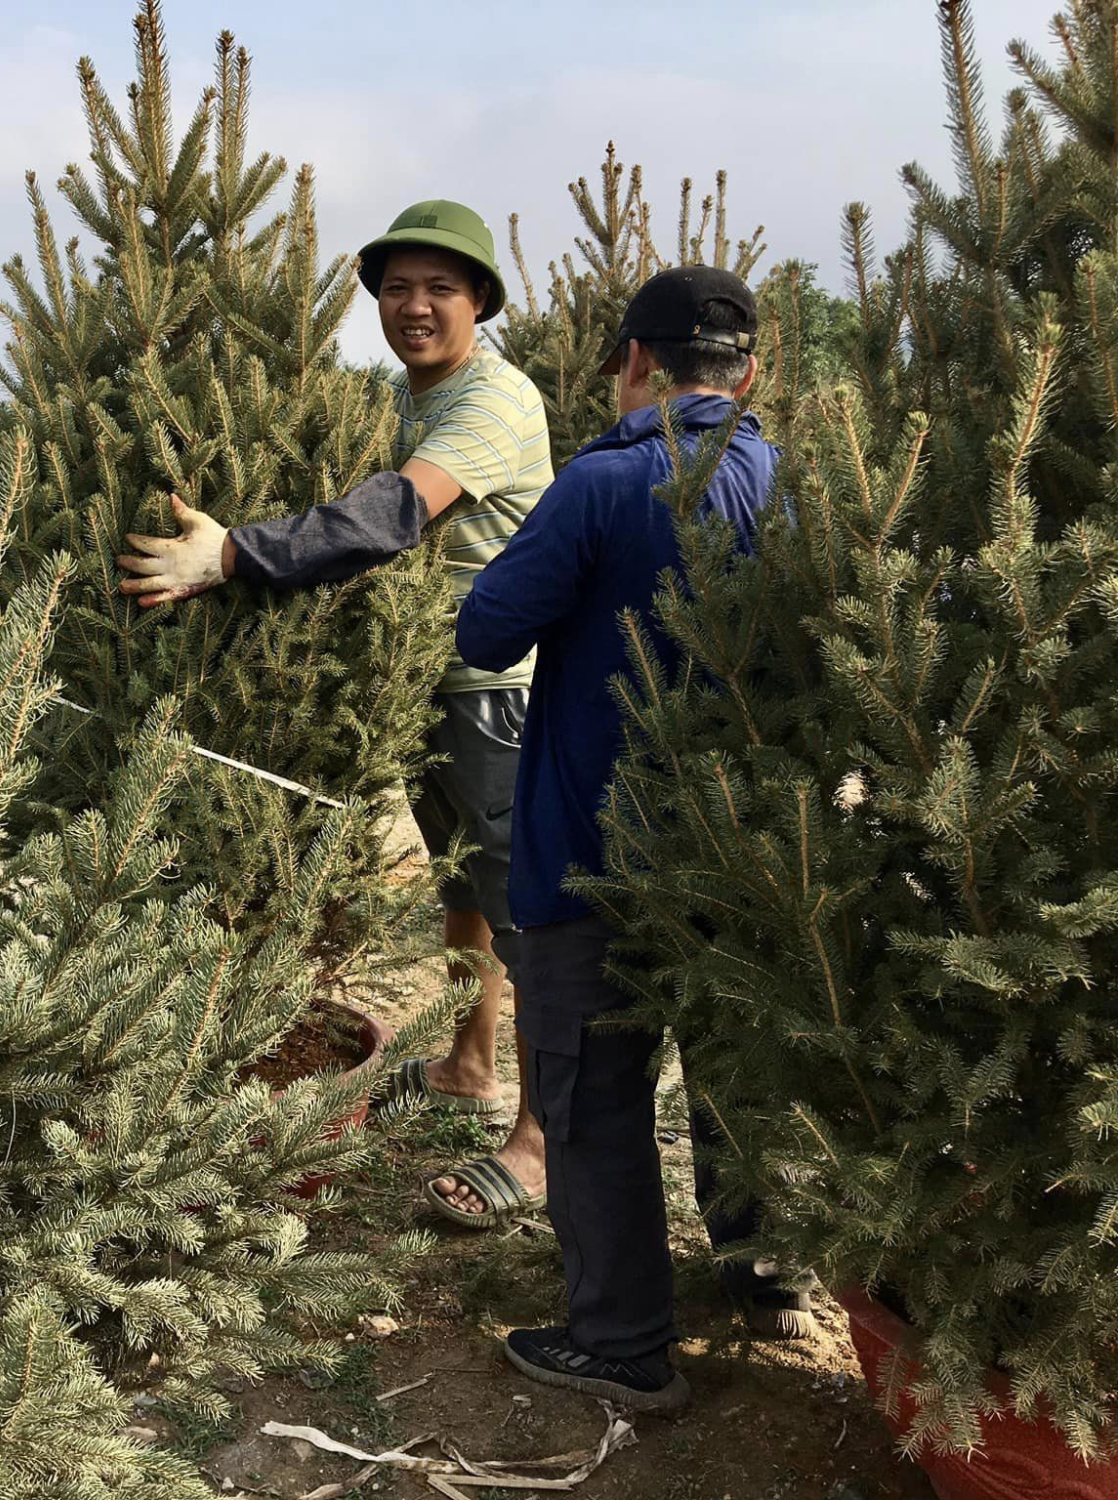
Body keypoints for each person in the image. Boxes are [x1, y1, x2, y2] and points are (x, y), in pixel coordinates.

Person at [115, 200, 554, 1230]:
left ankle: (536, 1142)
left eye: (438, 288)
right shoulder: (406, 400)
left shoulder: (489, 403)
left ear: (479, 302)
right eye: (396, 286)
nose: (413, 306)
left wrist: (227, 555)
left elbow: (390, 514)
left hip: (496, 698)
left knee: (523, 908)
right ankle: (464, 1065)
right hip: (427, 688)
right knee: (463, 891)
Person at [455, 265, 809, 1413]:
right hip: (743, 850)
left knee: (593, 1093)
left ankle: (620, 1343)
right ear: (745, 376)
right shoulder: (785, 482)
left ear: (631, 365)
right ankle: (767, 1276)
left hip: (595, 857)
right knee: (737, 1071)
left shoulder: (598, 484)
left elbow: (488, 624)